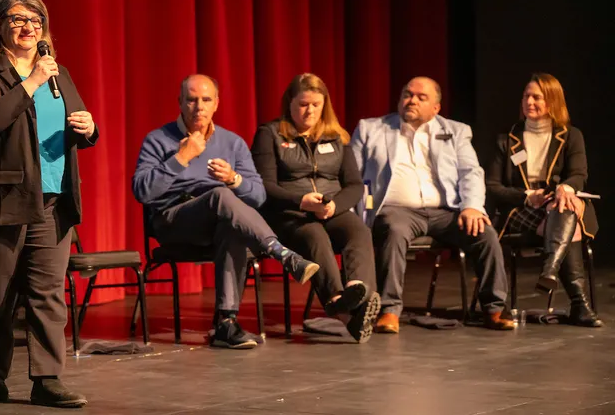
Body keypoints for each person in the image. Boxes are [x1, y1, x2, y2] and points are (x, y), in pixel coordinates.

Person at [0, 0, 96, 408]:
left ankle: (47, 378)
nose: (28, 27)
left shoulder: (58, 72)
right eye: (18, 19)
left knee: (47, 293)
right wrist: (32, 81)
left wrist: (89, 128)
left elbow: (73, 124)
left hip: (53, 199)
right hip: (4, 197)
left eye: (35, 21)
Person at [132, 74, 320, 349]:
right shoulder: (158, 139)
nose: (199, 107)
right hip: (173, 220)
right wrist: (180, 158)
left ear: (217, 104)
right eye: (192, 100)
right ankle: (280, 252)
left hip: (220, 220)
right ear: (180, 103)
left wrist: (234, 179)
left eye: (206, 100)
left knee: (232, 220)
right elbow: (142, 192)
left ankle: (226, 324)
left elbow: (257, 196)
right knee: (220, 197)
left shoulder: (232, 143)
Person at [351, 76, 513, 333]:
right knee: (393, 231)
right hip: (397, 211)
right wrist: (355, 217)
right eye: (407, 94)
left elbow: (470, 171)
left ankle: (494, 308)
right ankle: (389, 310)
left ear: (436, 108)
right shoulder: (371, 129)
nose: (411, 100)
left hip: (445, 211)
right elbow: (352, 177)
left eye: (420, 97)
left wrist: (471, 206)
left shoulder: (455, 131)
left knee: (485, 232)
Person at [251, 73, 380, 343]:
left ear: (325, 105)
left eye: (316, 105)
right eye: (303, 104)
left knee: (358, 230)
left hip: (330, 210)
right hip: (289, 214)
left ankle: (357, 289)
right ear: (290, 103)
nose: (309, 111)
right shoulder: (270, 134)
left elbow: (354, 186)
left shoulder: (337, 136)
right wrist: (300, 201)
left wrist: (334, 206)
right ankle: (340, 305)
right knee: (315, 235)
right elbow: (264, 186)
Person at [486, 73, 601, 327]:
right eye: (526, 96)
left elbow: (578, 175)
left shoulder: (571, 136)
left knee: (565, 207)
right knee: (567, 220)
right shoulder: (507, 139)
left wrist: (565, 188)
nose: (530, 101)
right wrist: (527, 197)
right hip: (519, 210)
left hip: (558, 203)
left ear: (552, 101)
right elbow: (493, 186)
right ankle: (579, 304)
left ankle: (551, 269)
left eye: (537, 97)